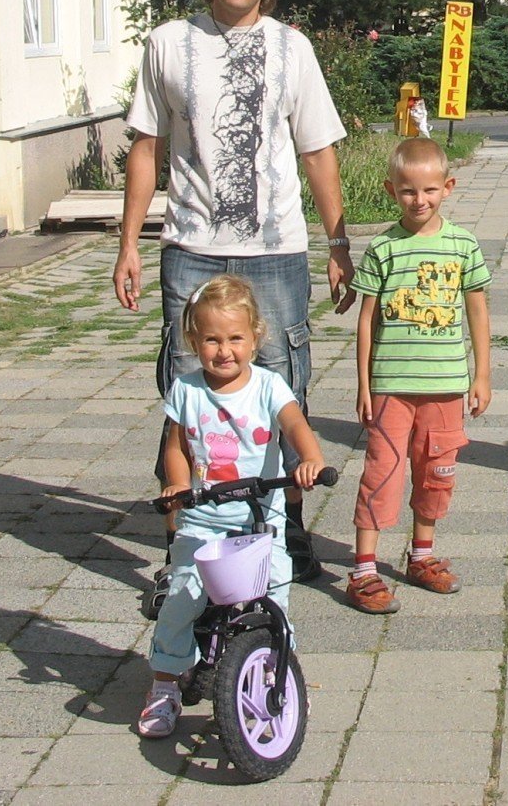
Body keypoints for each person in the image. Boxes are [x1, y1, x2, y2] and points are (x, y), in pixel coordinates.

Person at [114, 0, 354, 599]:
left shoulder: (291, 49)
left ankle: (288, 528)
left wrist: (338, 243)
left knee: (283, 389)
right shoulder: (167, 43)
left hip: (276, 251)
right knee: (188, 395)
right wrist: (129, 244)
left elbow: (318, 149)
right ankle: (182, 543)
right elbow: (147, 147)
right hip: (191, 248)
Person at [138, 275, 326, 738]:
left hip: (262, 517)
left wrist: (310, 458)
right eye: (212, 340)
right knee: (184, 595)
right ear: (193, 341)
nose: (225, 351)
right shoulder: (186, 390)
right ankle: (164, 684)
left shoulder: (267, 386)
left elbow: (294, 423)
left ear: (255, 337)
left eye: (235, 338)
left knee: (276, 587)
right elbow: (176, 445)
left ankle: (273, 667)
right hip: (204, 516)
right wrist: (178, 484)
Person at [345, 137, 492, 614]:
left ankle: (421, 555)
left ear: (448, 188)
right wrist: (365, 384)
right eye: (408, 191)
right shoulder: (384, 248)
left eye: (429, 190)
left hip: (446, 386)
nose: (419, 200)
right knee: (381, 473)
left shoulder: (463, 244)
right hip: (391, 386)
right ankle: (365, 568)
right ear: (392, 191)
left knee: (436, 472)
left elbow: (477, 311)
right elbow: (366, 319)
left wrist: (482, 374)